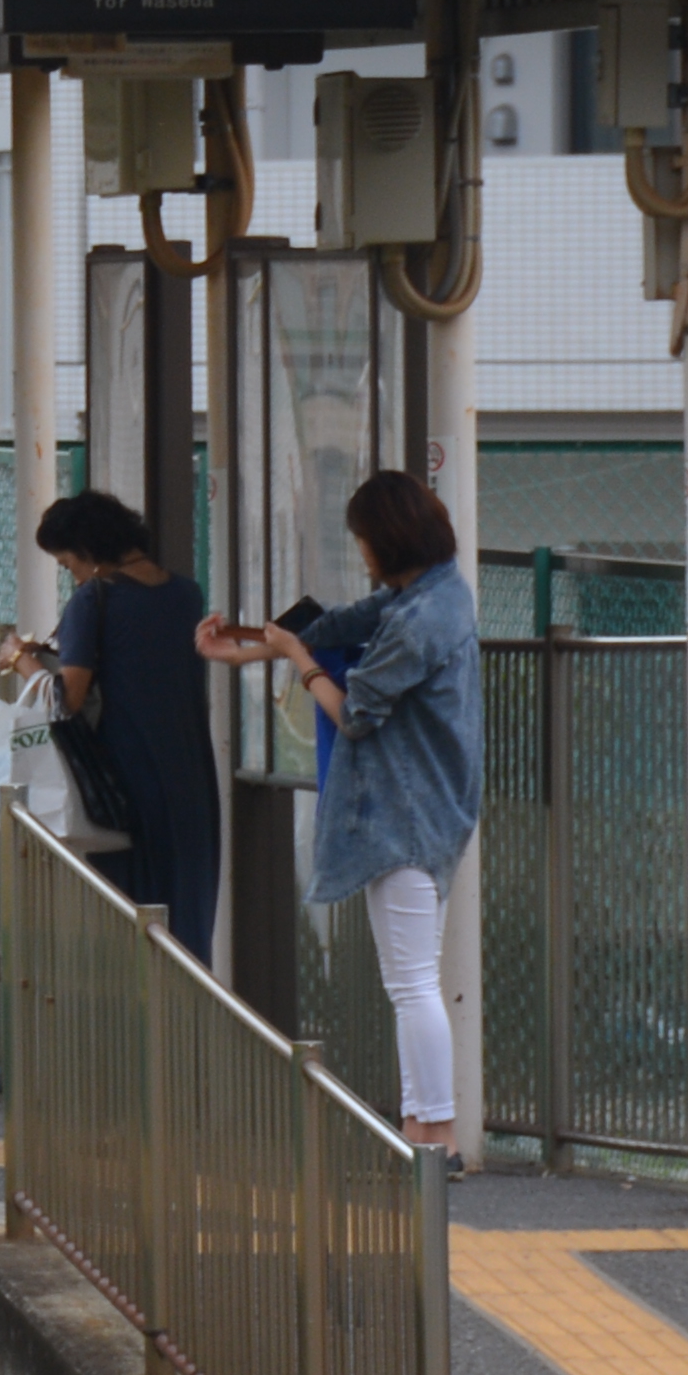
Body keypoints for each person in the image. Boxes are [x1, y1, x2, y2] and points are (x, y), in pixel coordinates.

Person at [202, 469, 486, 1158]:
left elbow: (354, 713)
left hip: (404, 815)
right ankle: (421, 1130)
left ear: (388, 539)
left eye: (362, 540)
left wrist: (298, 661)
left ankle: (437, 1136)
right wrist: (248, 650)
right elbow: (344, 623)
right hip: (431, 808)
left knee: (411, 983)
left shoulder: (418, 620)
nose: (360, 552)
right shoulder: (435, 592)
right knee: (413, 980)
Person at [0, 493, 221, 961]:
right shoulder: (187, 594)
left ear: (88, 549)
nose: (73, 576)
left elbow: (67, 699)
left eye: (68, 564)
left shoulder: (93, 600)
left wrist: (20, 660)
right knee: (187, 913)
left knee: (133, 917)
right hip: (190, 777)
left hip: (126, 780)